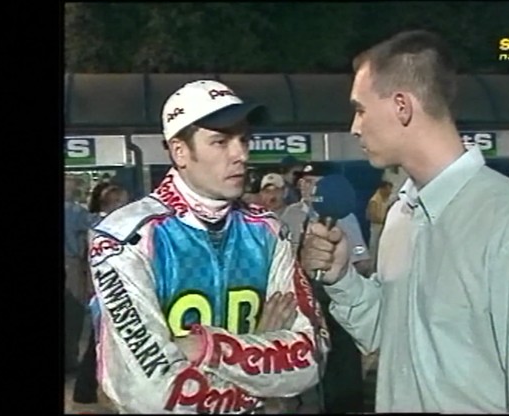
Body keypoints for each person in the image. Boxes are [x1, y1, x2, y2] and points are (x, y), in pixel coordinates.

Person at [300, 30, 509, 413]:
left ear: (402, 106)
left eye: (361, 109)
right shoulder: (401, 215)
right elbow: (392, 337)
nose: (354, 127)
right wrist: (342, 280)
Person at [87, 80, 329, 414]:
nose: (241, 154)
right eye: (220, 141)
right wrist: (263, 366)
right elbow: (151, 394)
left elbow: (312, 358)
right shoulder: (125, 238)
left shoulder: (269, 230)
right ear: (180, 151)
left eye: (243, 139)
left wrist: (208, 348)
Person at [281, 168, 371, 414]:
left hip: (336, 300)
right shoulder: (290, 215)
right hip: (301, 301)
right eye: (305, 181)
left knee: (340, 364)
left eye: (314, 182)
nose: (308, 187)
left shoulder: (343, 216)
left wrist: (341, 276)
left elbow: (362, 260)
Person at [73, 184, 130, 405]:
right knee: (102, 341)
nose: (126, 205)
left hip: (105, 290)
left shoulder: (99, 225)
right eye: (122, 201)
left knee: (100, 341)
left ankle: (86, 391)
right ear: (112, 204)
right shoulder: (106, 228)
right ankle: (88, 390)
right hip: (110, 290)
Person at [64, 176, 93, 374]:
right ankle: (70, 358)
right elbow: (97, 225)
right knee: (73, 313)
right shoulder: (75, 211)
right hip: (70, 264)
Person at [366, 180, 393, 271]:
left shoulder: (386, 200)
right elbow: (372, 216)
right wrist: (385, 220)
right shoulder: (374, 200)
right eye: (388, 189)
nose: (390, 192)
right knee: (374, 249)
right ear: (382, 189)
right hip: (376, 228)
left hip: (384, 227)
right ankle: (370, 270)